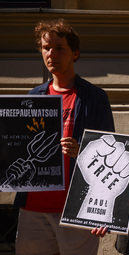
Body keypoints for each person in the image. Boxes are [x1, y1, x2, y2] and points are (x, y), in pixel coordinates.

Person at [13, 18, 115, 255]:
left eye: (59, 48)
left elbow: (111, 152)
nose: (51, 54)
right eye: (46, 48)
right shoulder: (32, 97)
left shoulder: (95, 97)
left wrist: (83, 151)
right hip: (33, 209)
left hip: (77, 209)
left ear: (75, 54)